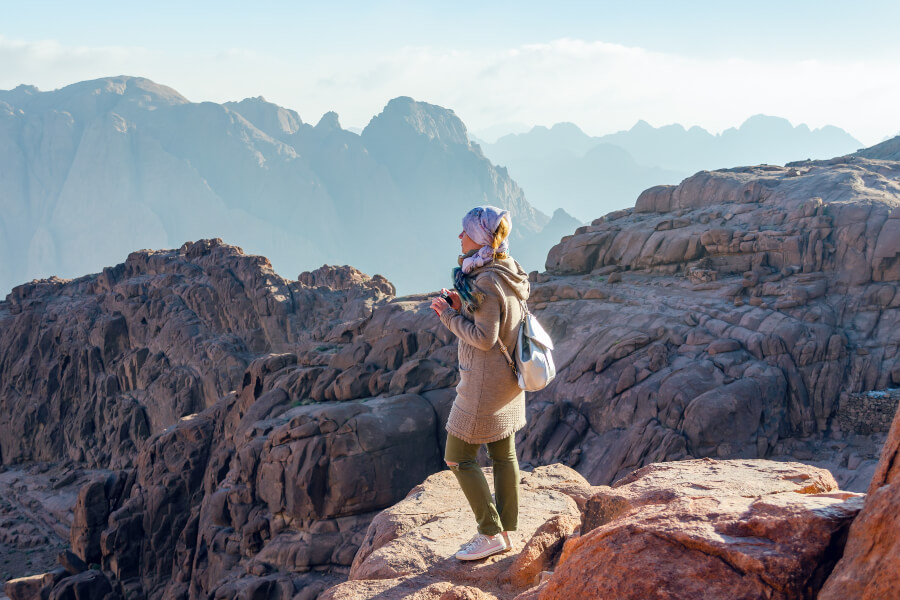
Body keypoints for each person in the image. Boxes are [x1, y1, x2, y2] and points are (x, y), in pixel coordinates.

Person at [430, 205, 530, 561]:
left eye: (466, 231)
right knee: (504, 455)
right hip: (508, 381)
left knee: (457, 456)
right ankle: (505, 531)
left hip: (484, 385)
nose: (460, 236)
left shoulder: (485, 279)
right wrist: (464, 304)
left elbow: (485, 338)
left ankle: (489, 532)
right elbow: (496, 318)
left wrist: (449, 315)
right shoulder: (507, 269)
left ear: (482, 236)